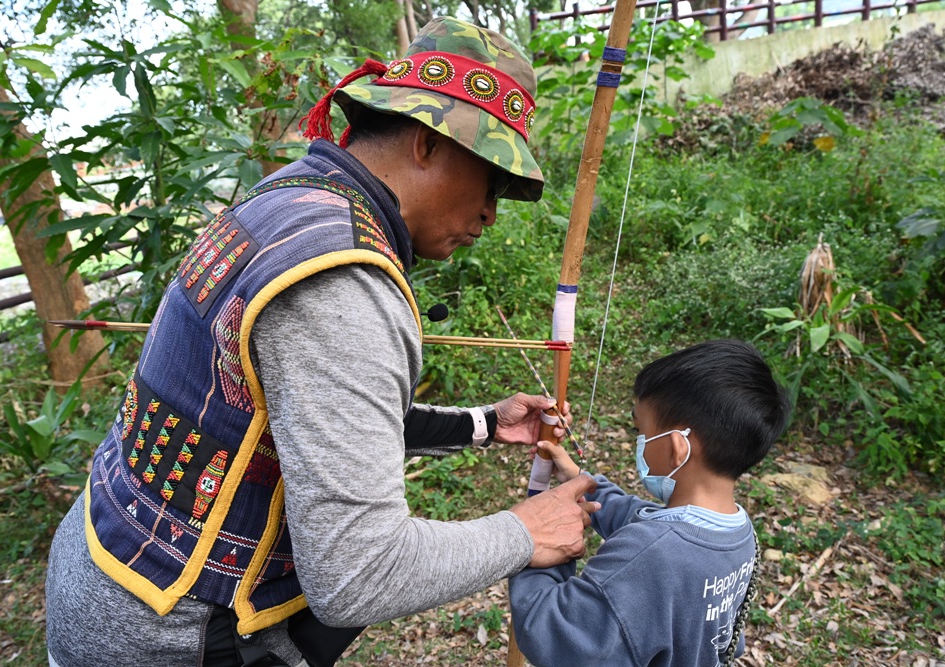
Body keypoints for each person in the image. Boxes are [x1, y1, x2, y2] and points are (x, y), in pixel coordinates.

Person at [45, 17, 599, 667]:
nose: (490, 214)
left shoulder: (287, 203)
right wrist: (524, 530)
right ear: (426, 143)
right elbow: (357, 573)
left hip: (106, 569)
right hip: (168, 632)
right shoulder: (345, 277)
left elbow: (305, 416)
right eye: (492, 180)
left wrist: (482, 424)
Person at [509, 340, 791, 667]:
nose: (638, 440)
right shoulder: (736, 533)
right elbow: (642, 519)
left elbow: (555, 634)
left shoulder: (651, 556)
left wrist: (535, 538)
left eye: (639, 429)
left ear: (676, 448)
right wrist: (579, 478)